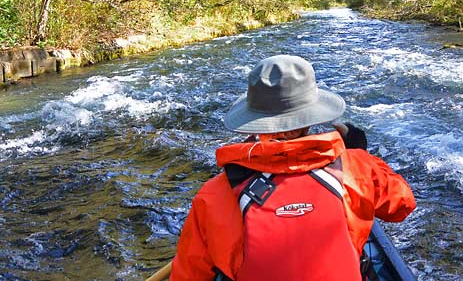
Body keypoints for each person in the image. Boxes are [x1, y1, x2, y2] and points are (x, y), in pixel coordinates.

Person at [170, 54, 416, 281]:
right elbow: (402, 206)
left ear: (255, 123)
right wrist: (359, 152)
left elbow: (188, 276)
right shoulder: (356, 167)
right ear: (309, 118)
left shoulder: (213, 195)